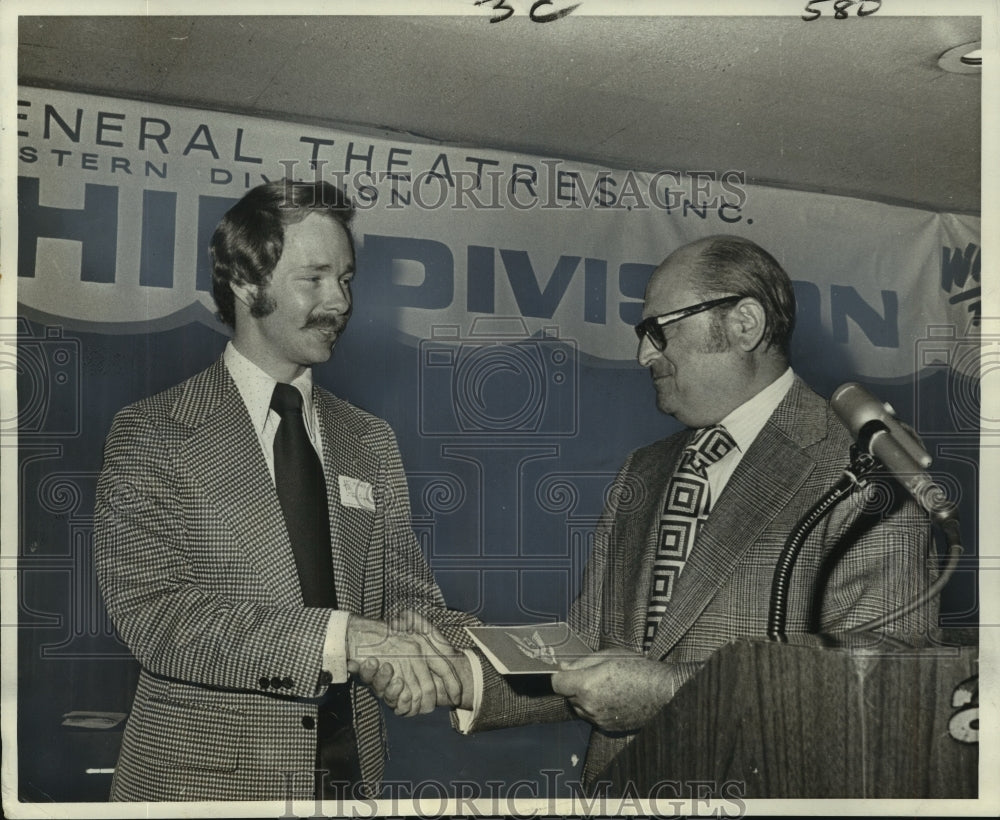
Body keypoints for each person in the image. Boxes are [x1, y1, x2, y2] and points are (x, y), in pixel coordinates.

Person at [360, 234, 937, 792]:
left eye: (657, 331)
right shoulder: (645, 470)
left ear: (744, 324)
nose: (643, 354)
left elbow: (883, 681)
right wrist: (458, 676)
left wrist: (669, 692)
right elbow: (587, 648)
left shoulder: (863, 472)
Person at [93, 179, 474, 802]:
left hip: (352, 778)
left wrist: (484, 652)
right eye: (315, 278)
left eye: (346, 279)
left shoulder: (371, 439)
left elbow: (405, 596)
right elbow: (155, 616)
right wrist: (345, 639)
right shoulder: (152, 433)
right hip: (202, 791)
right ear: (246, 283)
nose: (341, 302)